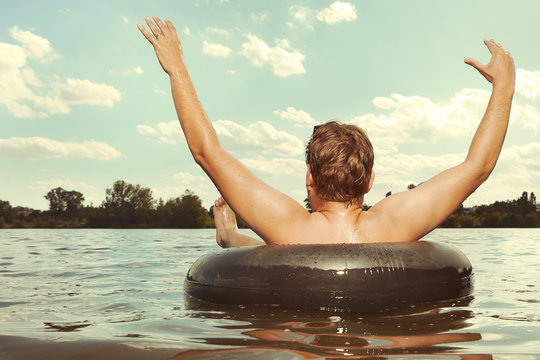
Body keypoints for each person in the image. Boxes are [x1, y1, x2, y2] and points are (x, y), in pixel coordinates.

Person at [138, 16, 515, 247]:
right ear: (369, 181)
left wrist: (177, 68)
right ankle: (232, 237)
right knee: (261, 247)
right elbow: (478, 166)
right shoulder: (392, 223)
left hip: (290, 261)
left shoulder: (289, 225)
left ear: (309, 177)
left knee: (266, 246)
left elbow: (207, 151)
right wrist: (505, 86)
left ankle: (231, 237)